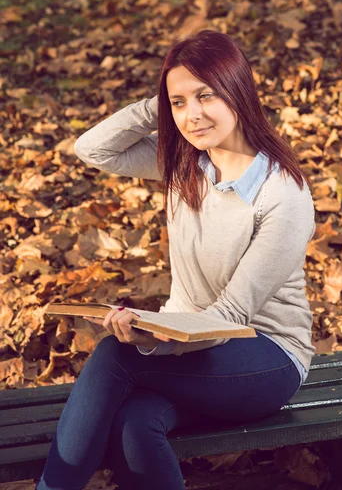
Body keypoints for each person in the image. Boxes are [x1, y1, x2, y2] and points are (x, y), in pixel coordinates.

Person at [35, 29, 316, 490]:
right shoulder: (186, 165)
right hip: (190, 343)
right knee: (134, 424)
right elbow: (92, 149)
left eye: (206, 95)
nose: (193, 115)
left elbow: (229, 316)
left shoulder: (283, 196)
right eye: (179, 103)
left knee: (115, 357)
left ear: (238, 90)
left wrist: (150, 341)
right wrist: (164, 105)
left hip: (266, 356)